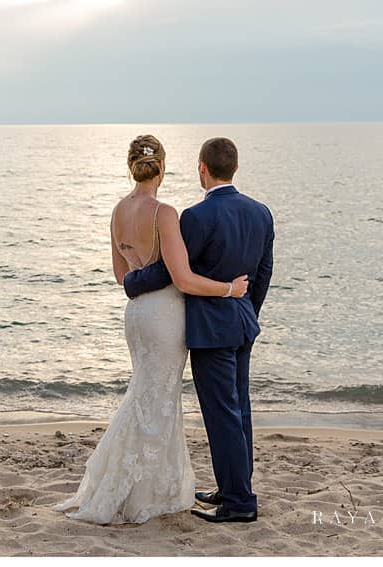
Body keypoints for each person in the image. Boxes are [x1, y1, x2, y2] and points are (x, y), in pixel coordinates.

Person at [52, 134, 250, 525]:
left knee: (144, 392)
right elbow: (184, 279)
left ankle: (129, 482)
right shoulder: (164, 213)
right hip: (164, 316)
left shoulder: (117, 212)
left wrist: (140, 278)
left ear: (132, 166)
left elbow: (121, 275)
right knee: (159, 398)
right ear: (161, 167)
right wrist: (230, 289)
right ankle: (146, 490)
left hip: (137, 314)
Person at [124, 136, 274, 524]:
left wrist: (132, 283)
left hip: (210, 328)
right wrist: (245, 310)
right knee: (239, 408)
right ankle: (232, 486)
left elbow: (173, 273)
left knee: (222, 413)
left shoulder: (196, 217)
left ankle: (239, 501)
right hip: (242, 322)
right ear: (234, 169)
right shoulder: (261, 213)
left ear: (202, 169)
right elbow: (263, 273)